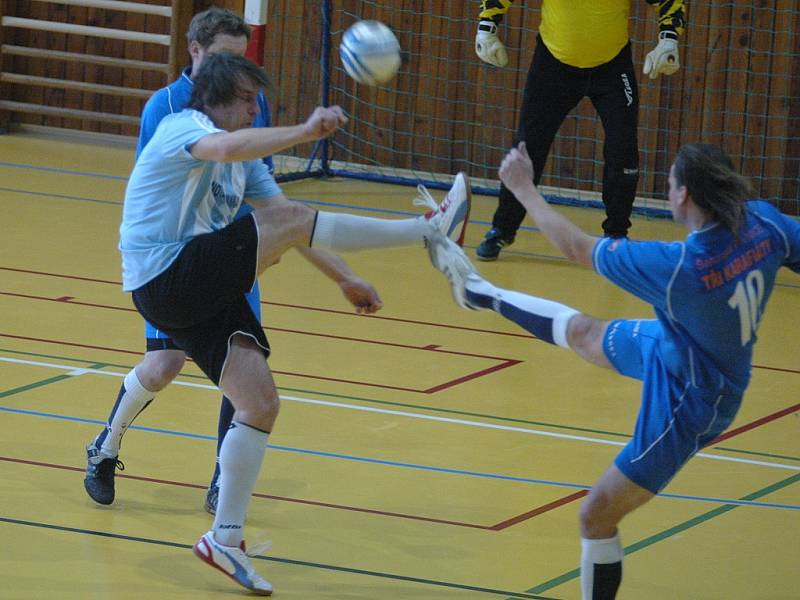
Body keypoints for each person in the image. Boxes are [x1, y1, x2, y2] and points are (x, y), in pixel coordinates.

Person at [114, 52, 470, 594]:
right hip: (163, 276)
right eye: (246, 100)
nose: (255, 110)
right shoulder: (182, 126)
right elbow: (232, 153)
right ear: (215, 99)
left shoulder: (245, 164)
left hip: (194, 288)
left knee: (259, 403)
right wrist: (305, 130)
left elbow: (296, 225)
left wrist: (345, 279)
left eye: (259, 100)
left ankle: (224, 540)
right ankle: (427, 231)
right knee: (288, 220)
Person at [426, 142, 800, 599]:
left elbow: (574, 247)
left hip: (691, 400)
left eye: (668, 183)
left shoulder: (679, 266)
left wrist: (522, 186)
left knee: (596, 516)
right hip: (675, 346)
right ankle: (479, 292)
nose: (666, 190)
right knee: (584, 333)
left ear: (682, 196)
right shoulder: (765, 223)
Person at [84, 7, 276, 516]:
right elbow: (152, 193)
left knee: (245, 370)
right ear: (195, 51)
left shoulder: (250, 103)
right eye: (223, 58)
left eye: (241, 60)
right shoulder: (165, 108)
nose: (235, 73)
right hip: (175, 264)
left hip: (228, 255)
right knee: (165, 363)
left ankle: (222, 481)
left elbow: (262, 187)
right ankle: (106, 446)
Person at [473, 0, 686, 259]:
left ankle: (617, 237)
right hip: (552, 64)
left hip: (613, 67)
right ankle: (502, 230)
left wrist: (668, 38)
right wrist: (486, 26)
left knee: (623, 147)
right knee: (527, 146)